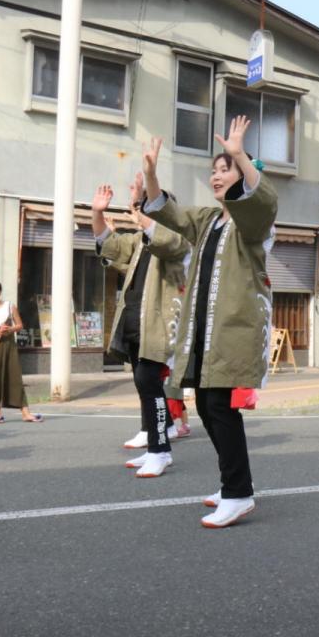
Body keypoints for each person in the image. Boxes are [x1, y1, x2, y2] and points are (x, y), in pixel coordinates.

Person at [142, 115, 278, 528]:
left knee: (220, 406)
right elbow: (168, 213)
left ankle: (239, 493)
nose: (216, 176)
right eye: (214, 170)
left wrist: (241, 156)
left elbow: (263, 202)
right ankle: (232, 484)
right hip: (202, 329)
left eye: (225, 169)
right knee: (205, 403)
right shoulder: (206, 220)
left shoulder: (253, 224)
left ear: (242, 176)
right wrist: (151, 174)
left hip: (234, 329)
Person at [92, 172, 191, 478]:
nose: (145, 211)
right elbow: (109, 244)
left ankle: (161, 451)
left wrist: (140, 207)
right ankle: (154, 445)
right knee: (143, 384)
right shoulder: (139, 242)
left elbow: (166, 241)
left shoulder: (178, 239)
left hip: (158, 327)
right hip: (135, 323)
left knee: (149, 382)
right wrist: (97, 213)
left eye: (152, 207)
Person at [0, 278, 42, 424]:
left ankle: (26, 413)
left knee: (15, 378)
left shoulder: (10, 306)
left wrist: (10, 329)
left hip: (9, 347)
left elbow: (20, 325)